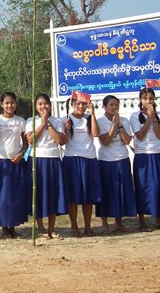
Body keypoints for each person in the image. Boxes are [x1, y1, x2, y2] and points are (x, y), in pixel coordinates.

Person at [26, 93, 67, 240]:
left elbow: (60, 140)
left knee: (53, 194)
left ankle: (51, 228)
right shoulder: (31, 121)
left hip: (53, 160)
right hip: (37, 161)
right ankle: (41, 228)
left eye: (45, 103)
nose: (43, 106)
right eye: (40, 104)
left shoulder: (57, 121)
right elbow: (31, 140)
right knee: (39, 194)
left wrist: (48, 123)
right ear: (36, 106)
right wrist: (42, 123)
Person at [130, 87, 160, 231]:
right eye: (145, 98)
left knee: (159, 186)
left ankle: (158, 219)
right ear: (140, 100)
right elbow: (140, 135)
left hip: (159, 154)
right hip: (143, 155)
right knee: (143, 187)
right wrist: (148, 118)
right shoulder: (135, 116)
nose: (148, 101)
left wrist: (154, 118)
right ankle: (142, 221)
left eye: (151, 98)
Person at [0, 92, 29, 239]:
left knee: (15, 195)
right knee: (2, 196)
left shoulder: (21, 121)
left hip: (16, 161)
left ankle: (13, 226)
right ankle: (4, 227)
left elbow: (25, 144)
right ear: (1, 104)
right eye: (6, 103)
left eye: (12, 103)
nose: (9, 105)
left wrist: (21, 155)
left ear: (16, 104)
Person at [96, 95, 136, 233]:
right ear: (104, 107)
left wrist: (119, 124)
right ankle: (104, 223)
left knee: (121, 192)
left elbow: (127, 140)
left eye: (116, 105)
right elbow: (105, 141)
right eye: (111, 105)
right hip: (106, 161)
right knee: (106, 191)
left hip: (122, 159)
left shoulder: (124, 120)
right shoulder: (100, 121)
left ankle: (119, 222)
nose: (114, 107)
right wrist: (113, 125)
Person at [63, 95, 102, 237]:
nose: (81, 106)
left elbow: (96, 134)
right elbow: (64, 140)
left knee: (89, 196)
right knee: (73, 196)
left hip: (89, 159)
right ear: (72, 104)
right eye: (78, 103)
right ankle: (74, 225)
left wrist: (93, 114)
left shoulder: (89, 118)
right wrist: (67, 129)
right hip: (72, 160)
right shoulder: (66, 119)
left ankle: (87, 226)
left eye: (84, 104)